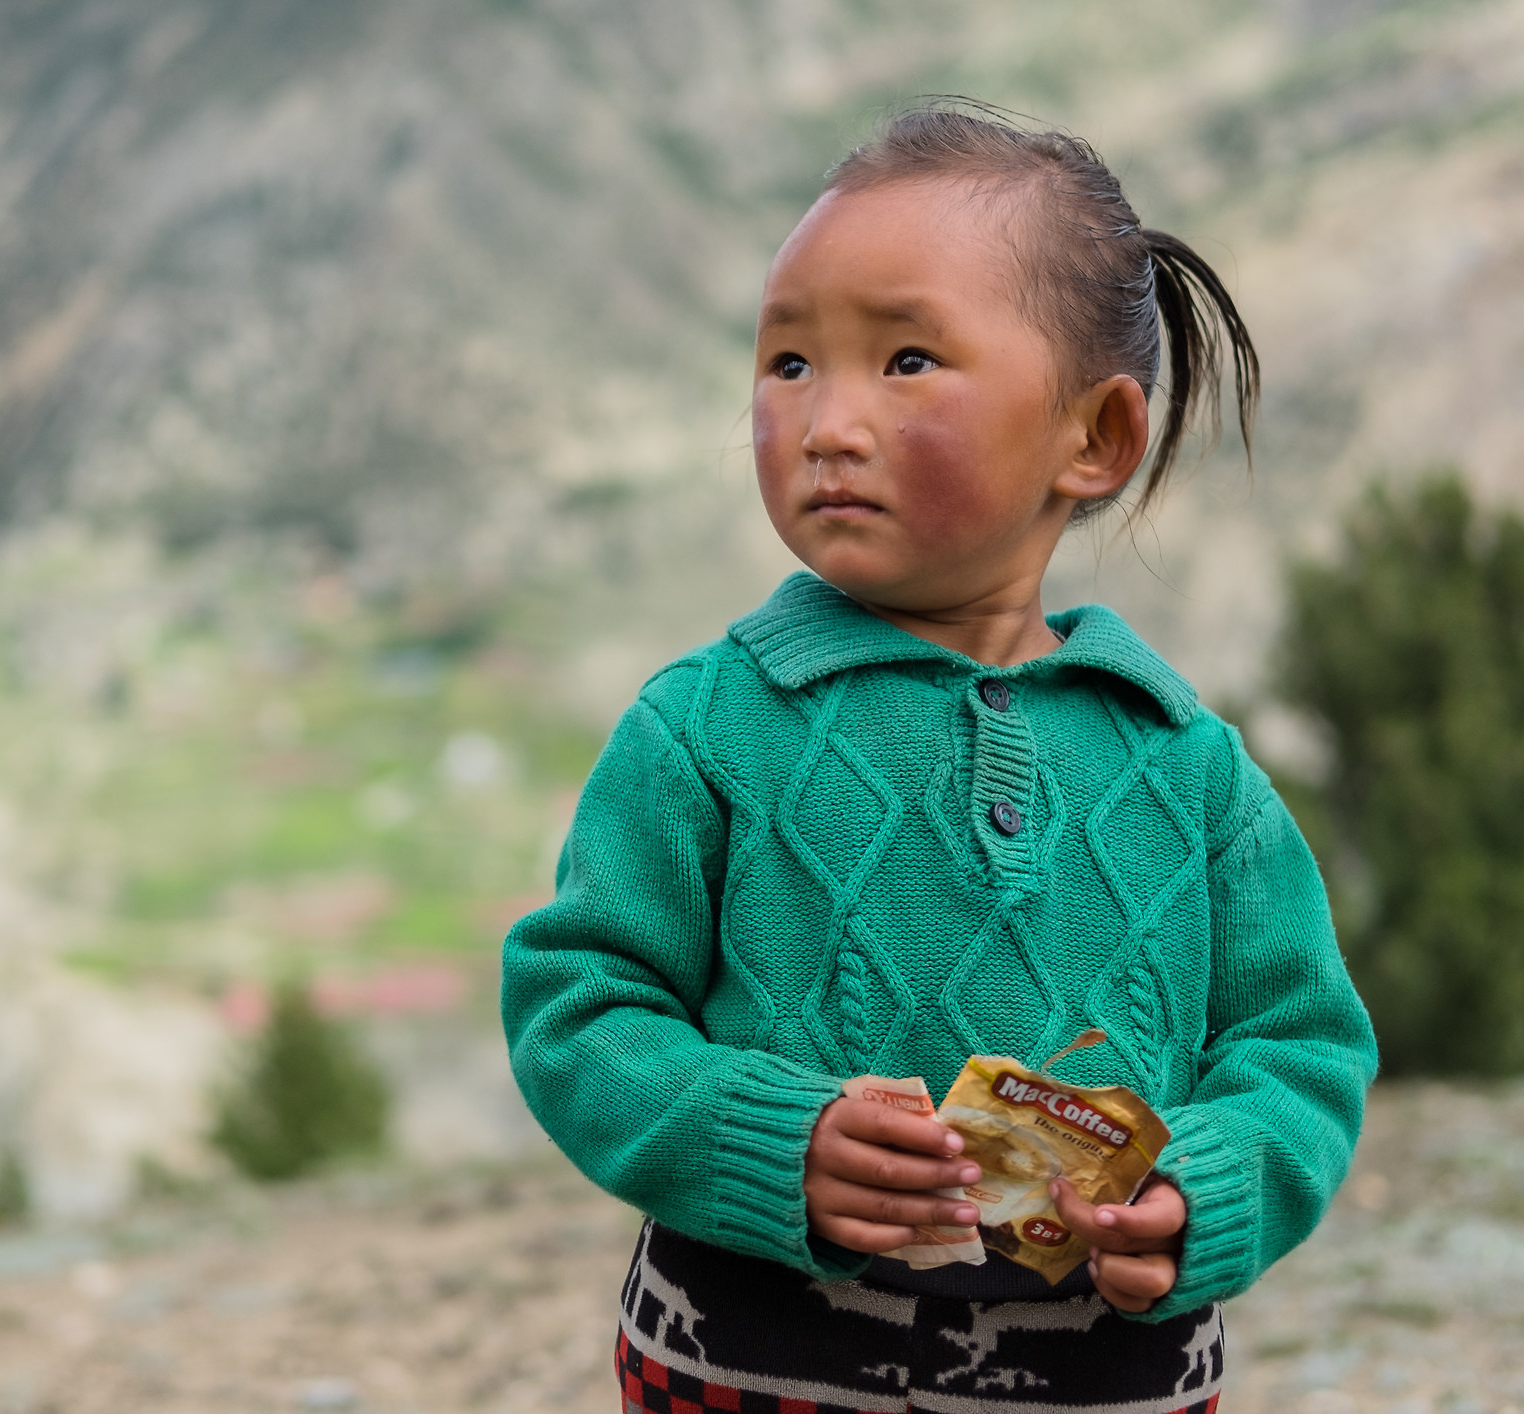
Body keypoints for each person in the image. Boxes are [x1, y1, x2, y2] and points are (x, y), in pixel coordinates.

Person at [500, 100, 1377, 1414]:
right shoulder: (706, 725)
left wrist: (1201, 1183)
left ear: (1095, 438)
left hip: (1105, 1379)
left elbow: (1296, 1045)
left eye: (906, 359)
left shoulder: (1189, 768)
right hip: (753, 1366)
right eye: (789, 361)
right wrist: (772, 1140)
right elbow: (579, 999)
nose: (825, 421)